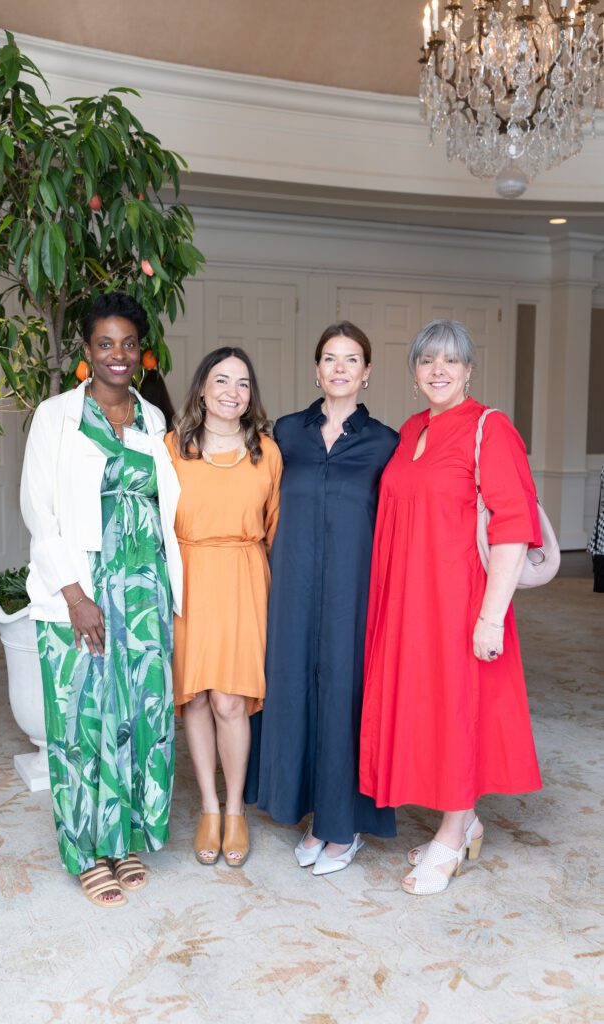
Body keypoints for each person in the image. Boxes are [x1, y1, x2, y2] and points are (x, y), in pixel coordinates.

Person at [359, 319, 543, 896]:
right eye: (427, 360)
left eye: (451, 360)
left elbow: (513, 528)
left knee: (459, 713)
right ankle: (467, 822)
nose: (438, 370)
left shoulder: (491, 428)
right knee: (430, 710)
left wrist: (491, 616)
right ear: (414, 373)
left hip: (461, 602)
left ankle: (453, 833)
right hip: (410, 601)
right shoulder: (412, 428)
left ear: (468, 370)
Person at [21, 292, 182, 907]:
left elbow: (166, 508)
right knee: (81, 719)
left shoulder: (153, 419)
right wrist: (74, 595)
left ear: (141, 352)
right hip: (80, 589)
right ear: (87, 350)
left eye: (128, 343)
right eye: (105, 343)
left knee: (138, 715)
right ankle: (85, 850)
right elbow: (39, 511)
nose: (119, 354)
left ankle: (124, 837)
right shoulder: (56, 417)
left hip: (143, 589)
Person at [245, 322, 399, 876]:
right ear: (316, 370)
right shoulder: (287, 433)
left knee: (343, 696)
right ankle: (312, 814)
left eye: (351, 359)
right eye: (330, 358)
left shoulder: (386, 443)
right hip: (292, 587)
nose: (339, 368)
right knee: (293, 691)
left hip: (353, 594)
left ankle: (343, 824)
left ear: (366, 372)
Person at [166, 348, 281, 868]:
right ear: (201, 388)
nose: (232, 392)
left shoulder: (267, 453)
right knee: (195, 700)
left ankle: (235, 810)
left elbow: (276, 526)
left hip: (243, 576)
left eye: (243, 383)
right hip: (188, 576)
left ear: (251, 395)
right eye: (221, 380)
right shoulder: (172, 448)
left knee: (230, 701)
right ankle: (208, 809)